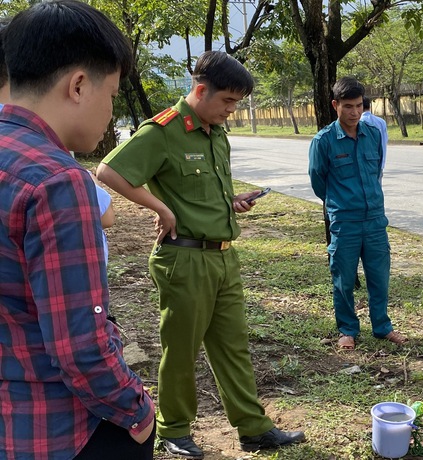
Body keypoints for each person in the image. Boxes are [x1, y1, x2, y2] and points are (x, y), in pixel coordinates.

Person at [97, 51, 305, 459]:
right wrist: (161, 208)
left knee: (233, 345)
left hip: (224, 257)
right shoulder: (163, 131)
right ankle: (173, 429)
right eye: (227, 101)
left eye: (236, 103)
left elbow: (203, 191)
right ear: (200, 90)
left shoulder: (214, 132)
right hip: (184, 259)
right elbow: (108, 172)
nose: (232, 110)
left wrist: (231, 202)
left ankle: (253, 428)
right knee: (181, 349)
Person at [0, 2, 156, 459]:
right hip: (58, 427)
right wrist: (138, 411)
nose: (111, 110)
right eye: (111, 93)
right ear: (79, 85)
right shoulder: (57, 180)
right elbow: (80, 349)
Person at [308, 76, 408, 351]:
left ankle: (382, 327)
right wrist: (340, 204)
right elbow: (318, 181)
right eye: (348, 106)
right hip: (345, 222)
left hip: (375, 220)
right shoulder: (324, 141)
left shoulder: (373, 135)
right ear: (335, 105)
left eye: (359, 106)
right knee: (343, 278)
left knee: (379, 276)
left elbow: (376, 172)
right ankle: (347, 330)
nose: (354, 113)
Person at [360, 96, 388, 172]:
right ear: (370, 106)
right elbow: (384, 141)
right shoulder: (381, 122)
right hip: (379, 164)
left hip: (363, 167)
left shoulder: (359, 122)